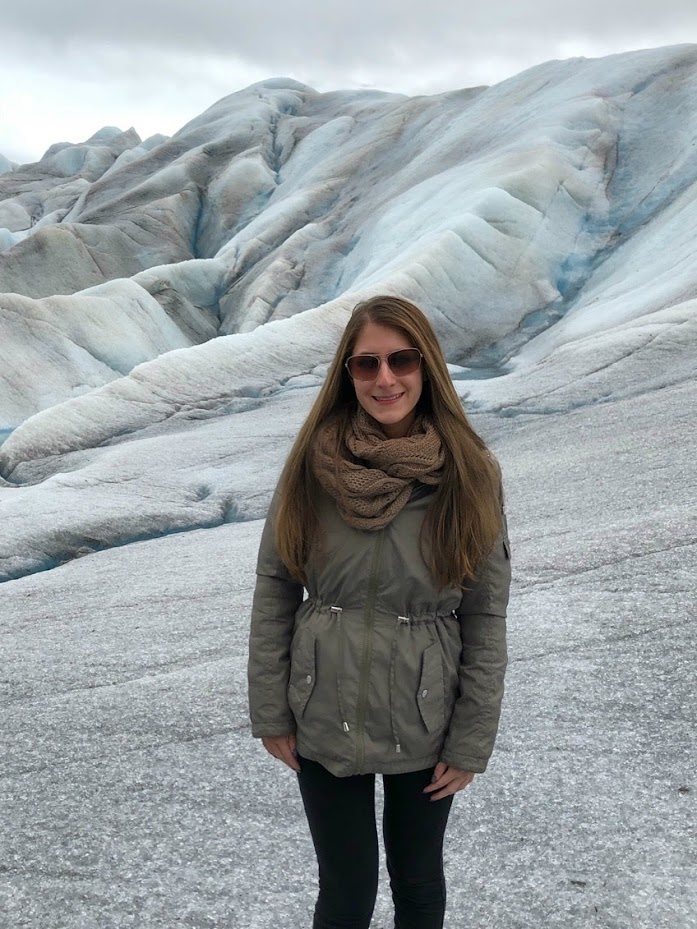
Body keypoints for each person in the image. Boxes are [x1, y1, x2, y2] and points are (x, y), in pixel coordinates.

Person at [248, 295, 511, 929]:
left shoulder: (470, 476)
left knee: (418, 881)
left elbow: (485, 614)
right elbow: (276, 586)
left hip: (426, 716)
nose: (385, 379)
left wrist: (472, 740)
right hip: (321, 707)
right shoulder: (312, 466)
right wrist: (270, 710)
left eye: (402, 360)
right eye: (367, 364)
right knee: (345, 888)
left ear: (428, 369)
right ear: (348, 373)